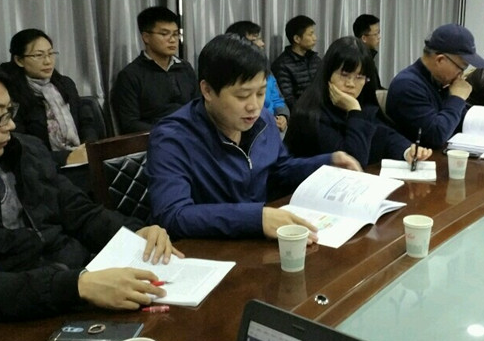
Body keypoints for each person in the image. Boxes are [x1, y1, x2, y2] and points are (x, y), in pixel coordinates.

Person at [0, 49, 180, 327]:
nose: (10, 125)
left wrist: (135, 232)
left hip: (83, 289)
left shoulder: (24, 151)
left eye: (10, 111)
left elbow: (81, 213)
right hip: (14, 321)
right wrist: (76, 285)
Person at [146, 34, 360, 240]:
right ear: (207, 90)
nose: (254, 106)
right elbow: (173, 215)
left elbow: (280, 169)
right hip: (207, 249)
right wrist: (256, 218)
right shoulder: (172, 138)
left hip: (257, 241)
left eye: (260, 93)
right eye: (242, 95)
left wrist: (327, 163)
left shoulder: (263, 120)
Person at [286, 37, 432, 169]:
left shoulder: (363, 104)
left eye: (359, 77)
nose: (351, 84)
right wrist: (354, 110)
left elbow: (384, 136)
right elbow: (352, 164)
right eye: (344, 75)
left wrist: (408, 151)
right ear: (327, 74)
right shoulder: (309, 114)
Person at [0, 29, 98, 168]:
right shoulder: (10, 95)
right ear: (19, 60)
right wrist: (66, 157)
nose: (48, 61)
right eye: (39, 55)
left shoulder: (65, 84)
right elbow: (19, 147)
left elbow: (86, 121)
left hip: (82, 159)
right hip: (43, 168)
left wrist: (88, 146)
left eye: (51, 54)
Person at [386, 23, 484, 148]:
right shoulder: (407, 85)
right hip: (415, 157)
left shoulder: (438, 81)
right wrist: (457, 98)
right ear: (440, 60)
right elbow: (436, 136)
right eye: (461, 68)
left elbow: (461, 122)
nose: (461, 75)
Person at [112, 6, 198, 134]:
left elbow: (199, 107)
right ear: (146, 37)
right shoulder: (130, 75)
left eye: (175, 34)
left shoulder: (185, 68)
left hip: (191, 135)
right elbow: (129, 124)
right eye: (164, 34)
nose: (172, 40)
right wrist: (169, 131)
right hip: (156, 139)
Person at [225, 20, 289, 135]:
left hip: (272, 126)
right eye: (255, 40)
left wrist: (282, 115)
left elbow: (277, 98)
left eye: (260, 39)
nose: (262, 44)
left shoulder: (265, 68)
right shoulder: (231, 74)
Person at [271, 15, 321, 109]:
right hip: (300, 113)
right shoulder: (282, 65)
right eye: (310, 34)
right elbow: (288, 99)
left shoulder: (315, 59)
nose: (315, 38)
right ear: (297, 39)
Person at [352, 13, 383, 89]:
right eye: (376, 34)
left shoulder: (368, 57)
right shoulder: (358, 61)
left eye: (379, 33)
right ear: (364, 38)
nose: (379, 37)